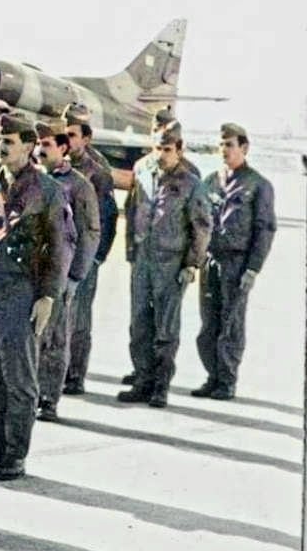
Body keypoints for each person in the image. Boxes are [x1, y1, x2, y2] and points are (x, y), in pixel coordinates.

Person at [0, 113, 69, 481]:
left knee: (18, 374)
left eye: (9, 141)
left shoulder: (48, 190)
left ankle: (15, 453)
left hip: (22, 288)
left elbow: (60, 246)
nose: (1, 146)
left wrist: (48, 296)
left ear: (29, 146)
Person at [119, 122, 212, 407]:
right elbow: (132, 209)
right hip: (143, 260)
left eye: (167, 149)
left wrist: (191, 264)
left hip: (171, 264)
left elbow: (202, 227)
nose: (161, 154)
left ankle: (161, 386)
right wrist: (131, 251)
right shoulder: (142, 169)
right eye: (157, 147)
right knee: (139, 324)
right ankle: (143, 380)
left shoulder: (191, 182)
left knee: (165, 328)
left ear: (179, 150)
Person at [193, 123, 275, 400]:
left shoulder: (258, 185)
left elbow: (265, 230)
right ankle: (212, 376)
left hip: (237, 263)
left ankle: (226, 381)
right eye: (221, 145)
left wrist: (253, 268)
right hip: (211, 261)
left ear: (244, 148)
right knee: (208, 324)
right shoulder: (210, 181)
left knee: (231, 324)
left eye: (229, 144)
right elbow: (199, 222)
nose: (224, 150)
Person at [34, 121, 99, 422]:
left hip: (59, 274)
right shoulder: (31, 180)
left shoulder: (78, 185)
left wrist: (75, 277)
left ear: (62, 148)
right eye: (37, 144)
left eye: (46, 144)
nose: (40, 149)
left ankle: (48, 399)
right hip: (29, 274)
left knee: (54, 338)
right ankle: (28, 393)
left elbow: (90, 233)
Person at [60, 102, 117, 395]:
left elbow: (108, 217)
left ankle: (75, 376)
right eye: (64, 134)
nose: (66, 140)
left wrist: (96, 258)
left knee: (79, 320)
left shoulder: (97, 173)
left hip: (84, 255)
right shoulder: (56, 166)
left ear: (86, 138)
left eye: (72, 134)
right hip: (58, 256)